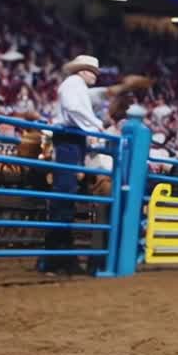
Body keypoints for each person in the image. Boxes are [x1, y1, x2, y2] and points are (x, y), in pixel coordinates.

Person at [46, 54, 106, 276]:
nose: (95, 76)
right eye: (92, 71)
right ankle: (57, 259)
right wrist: (95, 125)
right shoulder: (74, 85)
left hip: (72, 139)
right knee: (65, 196)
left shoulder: (74, 85)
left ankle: (57, 258)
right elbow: (74, 109)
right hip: (69, 140)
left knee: (66, 197)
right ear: (83, 71)